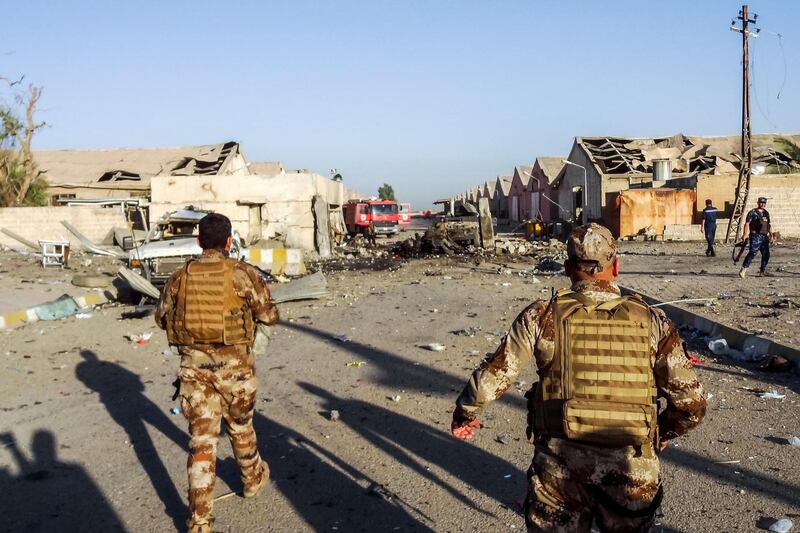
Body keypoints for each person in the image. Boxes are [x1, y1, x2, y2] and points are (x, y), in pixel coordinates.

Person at [451, 223, 706, 532]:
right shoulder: (653, 322)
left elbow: (495, 376)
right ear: (616, 267)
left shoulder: (541, 315)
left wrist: (466, 415)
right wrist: (662, 433)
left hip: (560, 470)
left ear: (567, 267)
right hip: (631, 468)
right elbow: (691, 405)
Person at [155, 213, 279, 533]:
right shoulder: (242, 274)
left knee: (202, 442)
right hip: (236, 371)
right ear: (228, 242)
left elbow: (161, 317)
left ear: (198, 241)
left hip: (195, 372)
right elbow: (269, 314)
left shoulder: (180, 277)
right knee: (240, 426)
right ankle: (251, 479)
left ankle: (199, 521)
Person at [739, 197, 774, 278]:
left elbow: (769, 225)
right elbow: (747, 223)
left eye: (764, 203)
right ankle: (743, 269)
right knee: (752, 253)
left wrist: (772, 235)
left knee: (766, 255)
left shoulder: (766, 213)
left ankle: (762, 271)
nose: (762, 204)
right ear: (758, 203)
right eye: (761, 203)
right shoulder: (752, 212)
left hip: (764, 237)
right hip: (755, 236)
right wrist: (745, 234)